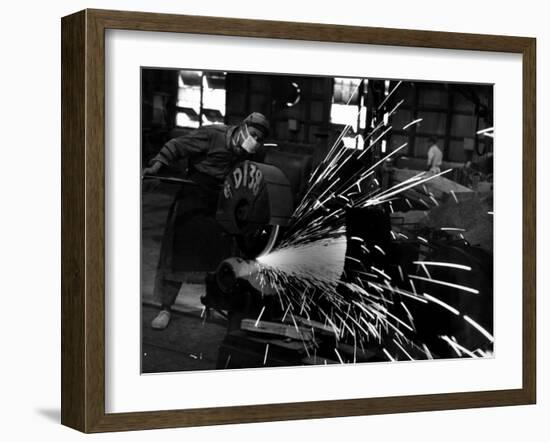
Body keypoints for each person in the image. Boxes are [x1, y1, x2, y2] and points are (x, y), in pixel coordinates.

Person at [143, 112, 270, 330]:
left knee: (219, 258)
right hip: (193, 198)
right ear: (243, 127)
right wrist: (156, 167)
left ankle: (216, 306)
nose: (255, 142)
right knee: (179, 255)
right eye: (254, 135)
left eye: (260, 139)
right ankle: (166, 308)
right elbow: (176, 146)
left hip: (222, 204)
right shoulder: (213, 135)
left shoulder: (253, 154)